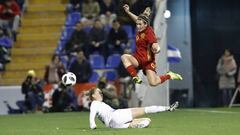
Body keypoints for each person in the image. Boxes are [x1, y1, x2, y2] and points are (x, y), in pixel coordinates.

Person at [121, 4, 182, 86]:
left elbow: (155, 44)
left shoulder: (149, 32)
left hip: (148, 61)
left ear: (146, 24)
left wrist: (157, 49)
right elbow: (137, 19)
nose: (137, 26)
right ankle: (135, 77)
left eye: (139, 24)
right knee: (124, 57)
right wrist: (128, 12)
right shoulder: (142, 25)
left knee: (153, 83)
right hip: (138, 58)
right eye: (137, 24)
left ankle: (169, 75)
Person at [89, 87, 179, 129]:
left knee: (147, 120)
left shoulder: (98, 104)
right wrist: (92, 125)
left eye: (101, 92)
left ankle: (137, 124)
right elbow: (92, 114)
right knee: (145, 110)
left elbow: (94, 113)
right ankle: (168, 108)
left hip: (113, 125)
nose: (101, 93)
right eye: (98, 92)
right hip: (116, 115)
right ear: (93, 95)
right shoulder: (95, 103)